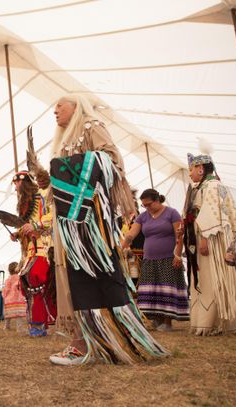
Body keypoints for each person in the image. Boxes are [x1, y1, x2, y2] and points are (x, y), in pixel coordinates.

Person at [47, 94, 168, 366]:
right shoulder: (66, 138)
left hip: (92, 220)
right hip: (70, 223)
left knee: (98, 272)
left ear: (76, 108)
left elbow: (112, 161)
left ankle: (112, 340)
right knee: (75, 277)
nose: (54, 111)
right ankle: (86, 342)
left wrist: (69, 169)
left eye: (60, 106)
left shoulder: (90, 126)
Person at [183, 153, 236, 335]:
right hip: (200, 239)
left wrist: (205, 239)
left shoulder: (213, 187)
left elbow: (212, 217)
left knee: (210, 278)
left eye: (191, 169)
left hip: (211, 241)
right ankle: (205, 322)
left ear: (201, 169)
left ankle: (213, 322)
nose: (190, 173)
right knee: (203, 277)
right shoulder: (201, 187)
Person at [122, 189, 189, 331]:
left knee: (167, 288)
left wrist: (177, 255)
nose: (146, 207)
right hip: (149, 259)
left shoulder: (172, 213)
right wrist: (121, 247)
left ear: (157, 200)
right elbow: (131, 234)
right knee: (151, 289)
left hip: (168, 258)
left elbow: (179, 237)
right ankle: (156, 319)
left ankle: (167, 321)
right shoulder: (143, 217)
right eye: (143, 205)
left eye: (148, 204)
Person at [11, 171, 56, 337]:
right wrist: (18, 233)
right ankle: (39, 323)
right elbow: (26, 224)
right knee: (28, 283)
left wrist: (36, 225)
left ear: (24, 182)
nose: (15, 186)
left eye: (17, 182)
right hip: (31, 248)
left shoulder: (41, 196)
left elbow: (52, 215)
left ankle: (46, 320)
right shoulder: (24, 203)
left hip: (45, 246)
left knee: (38, 278)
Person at [2, 262, 26, 333]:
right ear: (18, 269)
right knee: (18, 315)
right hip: (18, 300)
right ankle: (19, 328)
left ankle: (6, 326)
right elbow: (23, 288)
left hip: (9, 300)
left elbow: (6, 289)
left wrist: (4, 297)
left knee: (8, 315)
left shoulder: (8, 279)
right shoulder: (20, 278)